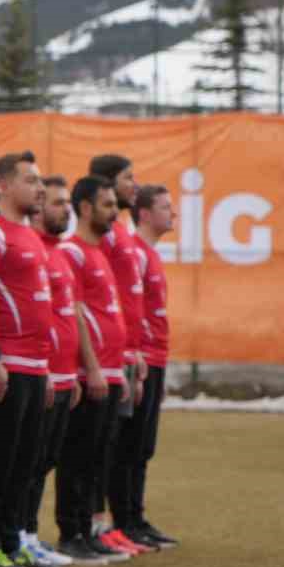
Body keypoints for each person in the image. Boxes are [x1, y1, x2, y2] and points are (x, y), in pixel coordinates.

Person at [0, 151, 61, 567]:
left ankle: (13, 538)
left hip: (37, 366)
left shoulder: (29, 236)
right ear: (4, 185)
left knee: (27, 462)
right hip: (10, 364)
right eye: (31, 180)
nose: (40, 188)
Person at [54, 176, 130, 565]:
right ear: (85, 208)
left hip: (112, 372)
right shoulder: (74, 252)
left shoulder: (99, 252)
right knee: (79, 457)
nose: (114, 212)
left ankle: (86, 530)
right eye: (106, 205)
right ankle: (71, 532)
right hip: (92, 374)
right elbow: (78, 314)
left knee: (98, 457)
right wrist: (93, 367)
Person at [87, 154, 151, 556]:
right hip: (107, 355)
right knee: (101, 446)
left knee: (120, 444)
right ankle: (96, 523)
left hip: (124, 351)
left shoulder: (121, 232)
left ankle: (112, 522)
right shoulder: (105, 235)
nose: (136, 185)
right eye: (129, 178)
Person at [113, 183, 178, 548]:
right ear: (144, 214)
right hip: (140, 359)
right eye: (166, 207)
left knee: (143, 447)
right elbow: (128, 311)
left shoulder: (151, 254)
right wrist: (133, 356)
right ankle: (123, 520)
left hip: (155, 359)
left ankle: (136, 517)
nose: (173, 214)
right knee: (130, 445)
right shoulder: (134, 254)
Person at [23, 175, 83, 560]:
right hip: (37, 371)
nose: (65, 210)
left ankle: (27, 533)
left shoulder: (59, 252)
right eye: (57, 202)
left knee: (43, 462)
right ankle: (16, 535)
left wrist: (74, 369)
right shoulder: (35, 249)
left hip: (62, 374)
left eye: (66, 203)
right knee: (25, 462)